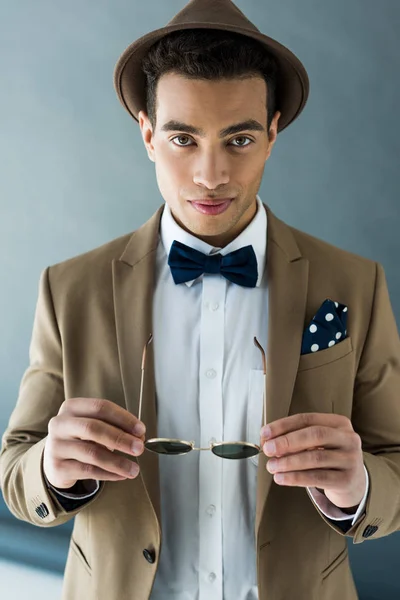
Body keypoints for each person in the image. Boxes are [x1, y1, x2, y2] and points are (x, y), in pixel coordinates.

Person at [1, 0, 400, 599]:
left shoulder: (355, 283)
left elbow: (395, 463)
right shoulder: (69, 288)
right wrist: (53, 472)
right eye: (183, 138)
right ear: (147, 134)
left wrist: (360, 486)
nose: (210, 175)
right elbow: (15, 472)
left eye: (238, 139)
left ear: (272, 134)